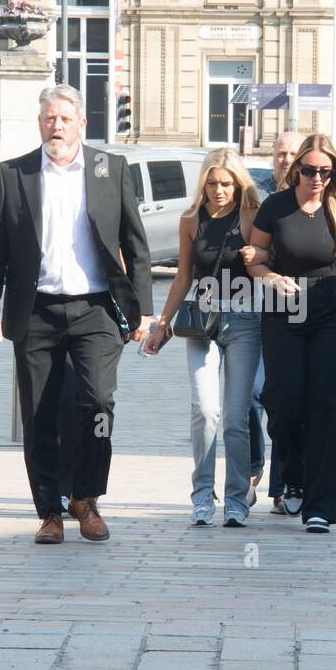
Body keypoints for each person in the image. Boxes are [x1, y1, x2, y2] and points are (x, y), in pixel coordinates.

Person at [0, 83, 153, 546]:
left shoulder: (109, 169)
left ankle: (86, 499)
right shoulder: (15, 173)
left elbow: (135, 246)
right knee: (39, 414)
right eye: (49, 119)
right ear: (40, 124)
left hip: (96, 309)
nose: (57, 126)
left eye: (65, 119)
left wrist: (144, 312)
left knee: (96, 405)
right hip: (36, 311)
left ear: (81, 124)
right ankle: (49, 511)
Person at [245, 133, 336, 534]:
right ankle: (291, 475)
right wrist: (269, 276)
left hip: (332, 309)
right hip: (284, 308)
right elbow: (253, 259)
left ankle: (320, 506)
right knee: (283, 401)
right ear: (297, 171)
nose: (316, 178)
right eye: (309, 170)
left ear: (334, 173)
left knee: (326, 407)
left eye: (325, 171)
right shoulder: (275, 206)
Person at [144, 148, 263, 527]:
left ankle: (237, 498)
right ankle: (201, 495)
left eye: (226, 183)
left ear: (238, 184)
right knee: (205, 410)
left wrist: (257, 254)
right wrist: (162, 324)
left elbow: (268, 262)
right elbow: (182, 276)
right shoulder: (191, 219)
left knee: (236, 416)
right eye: (212, 183)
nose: (219, 190)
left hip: (245, 319)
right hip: (202, 321)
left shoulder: (251, 216)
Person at [251, 128, 305, 513]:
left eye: (292, 153)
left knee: (289, 400)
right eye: (280, 153)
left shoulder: (315, 195)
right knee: (259, 395)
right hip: (253, 306)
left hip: (299, 309)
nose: (285, 159)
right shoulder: (257, 197)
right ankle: (255, 467)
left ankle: (283, 485)